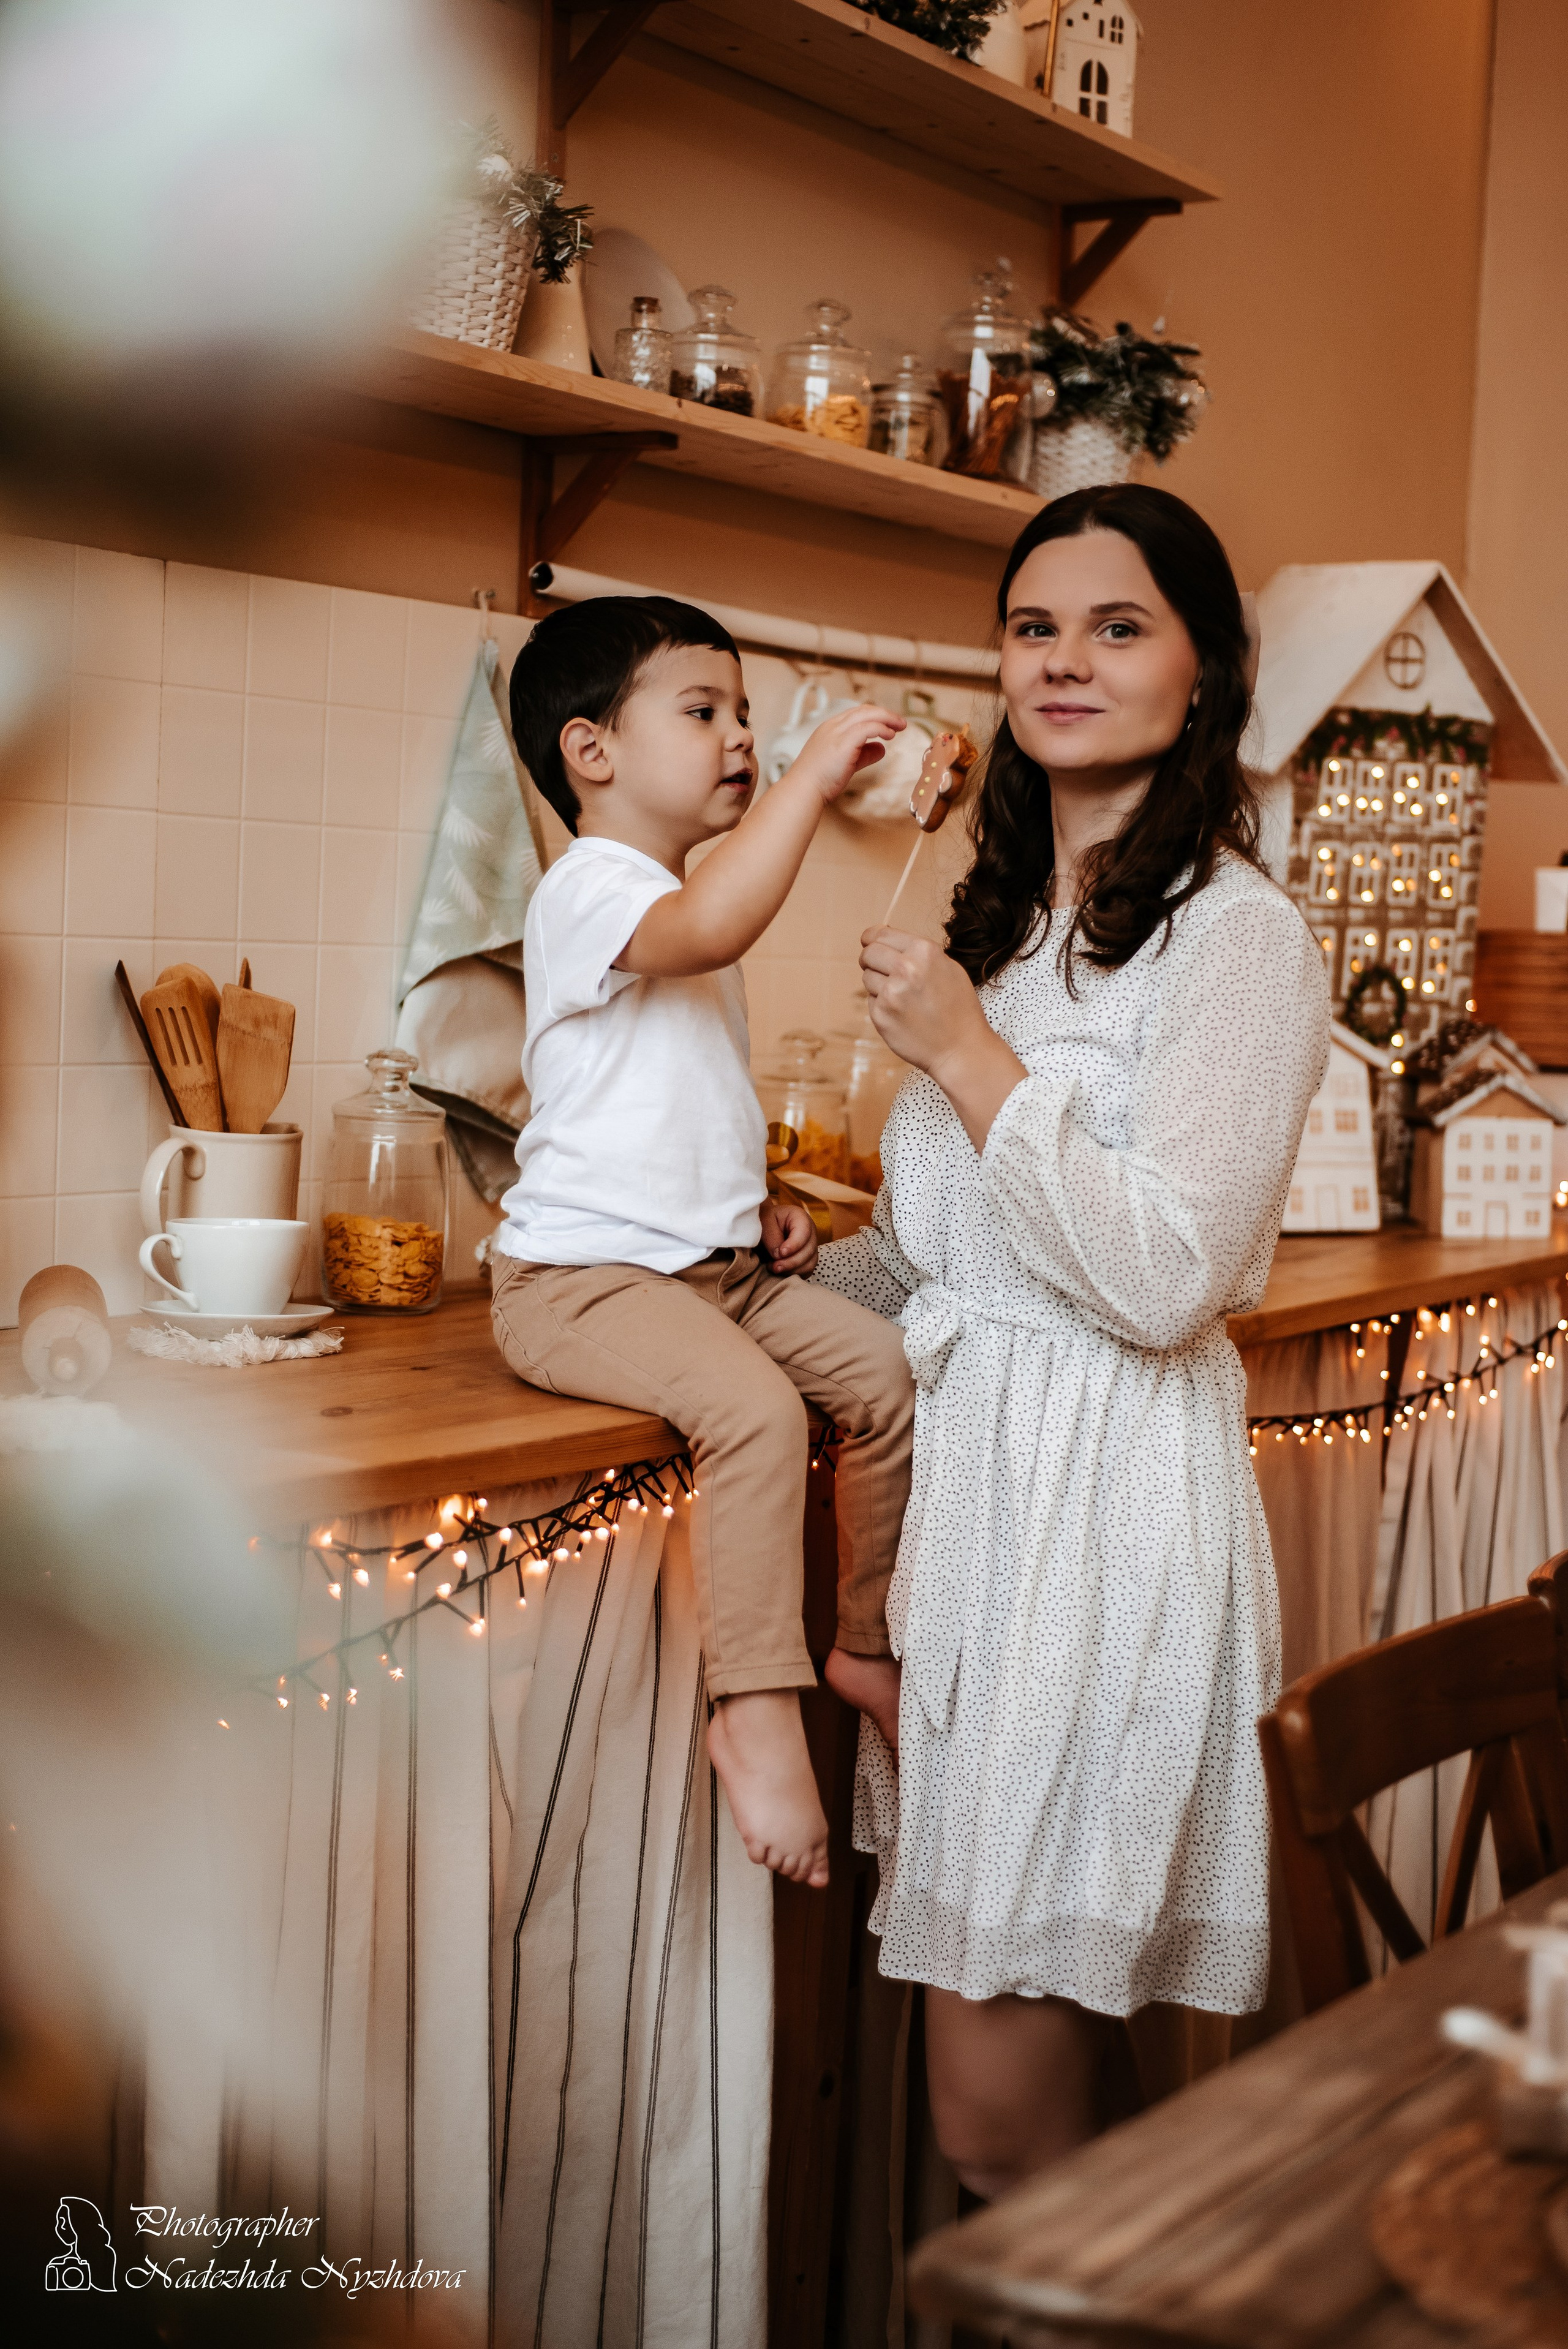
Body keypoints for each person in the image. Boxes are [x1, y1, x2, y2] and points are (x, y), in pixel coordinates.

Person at [812, 485, 1330, 2195]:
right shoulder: (1015, 925)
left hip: (1104, 1528)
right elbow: (961, 1249)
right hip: (981, 1532)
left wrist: (963, 1056)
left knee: (991, 2109)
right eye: (1036, 626)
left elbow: (1168, 1274)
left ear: (1206, 668)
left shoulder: (1240, 938)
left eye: (1119, 626)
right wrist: (810, 1263)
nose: (1064, 661)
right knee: (1044, 2086)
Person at [492, 596, 915, 1890]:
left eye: (743, 714)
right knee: (752, 1414)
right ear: (590, 751)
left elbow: (666, 1102)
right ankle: (753, 1706)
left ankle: (861, 1646)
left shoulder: (675, 897)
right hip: (577, 1285)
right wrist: (806, 773)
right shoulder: (588, 890)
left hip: (714, 1271)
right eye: (704, 711)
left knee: (893, 1375)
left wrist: (760, 1197)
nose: (737, 737)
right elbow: (716, 926)